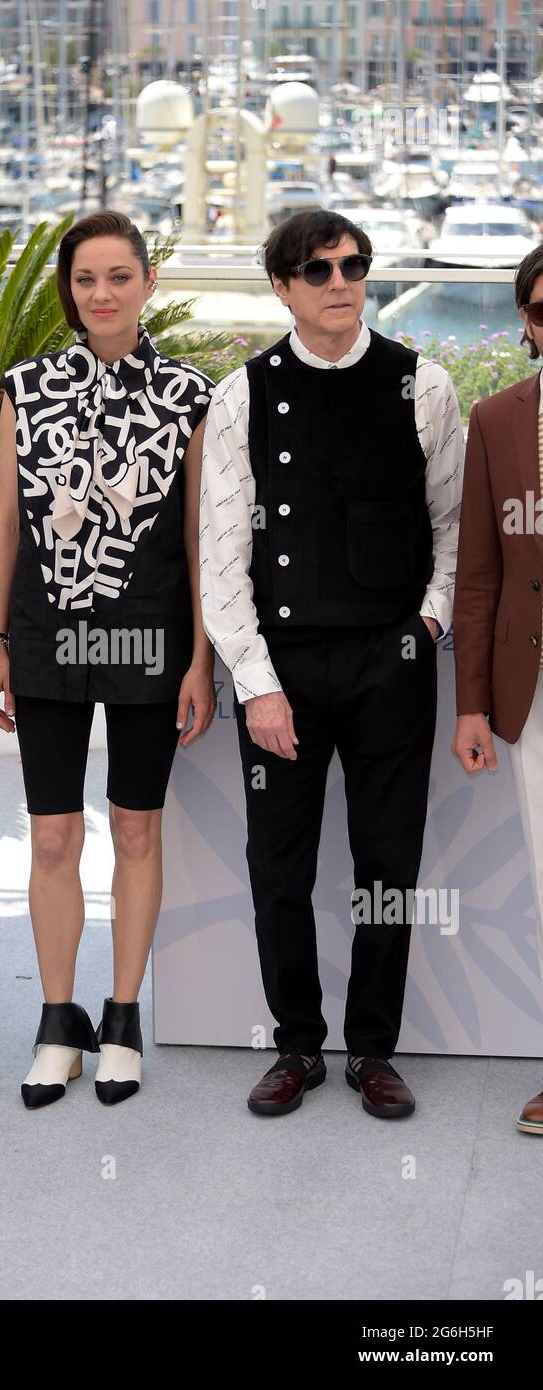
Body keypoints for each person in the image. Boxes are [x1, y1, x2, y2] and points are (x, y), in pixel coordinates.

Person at [200, 210, 464, 1119]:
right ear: (281, 286)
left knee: (387, 867)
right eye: (318, 270)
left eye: (354, 265)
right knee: (279, 865)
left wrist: (427, 629)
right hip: (285, 673)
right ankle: (296, 1047)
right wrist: (258, 683)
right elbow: (220, 553)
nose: (340, 281)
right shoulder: (241, 396)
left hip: (392, 665)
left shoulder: (421, 385)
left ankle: (374, 1052)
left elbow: (453, 528)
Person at [0, 210, 216, 1108]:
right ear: (68, 290)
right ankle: (56, 1020)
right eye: (86, 279)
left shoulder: (191, 394)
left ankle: (122, 1016)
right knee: (51, 833)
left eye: (119, 276)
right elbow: (7, 523)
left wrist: (197, 660)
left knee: (134, 827)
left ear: (147, 283)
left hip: (150, 637)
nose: (102, 294)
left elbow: (199, 540)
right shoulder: (25, 386)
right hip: (45, 636)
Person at [452, 243, 543, 1135]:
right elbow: (476, 575)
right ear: (524, 320)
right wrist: (470, 703)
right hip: (532, 685)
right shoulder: (496, 419)